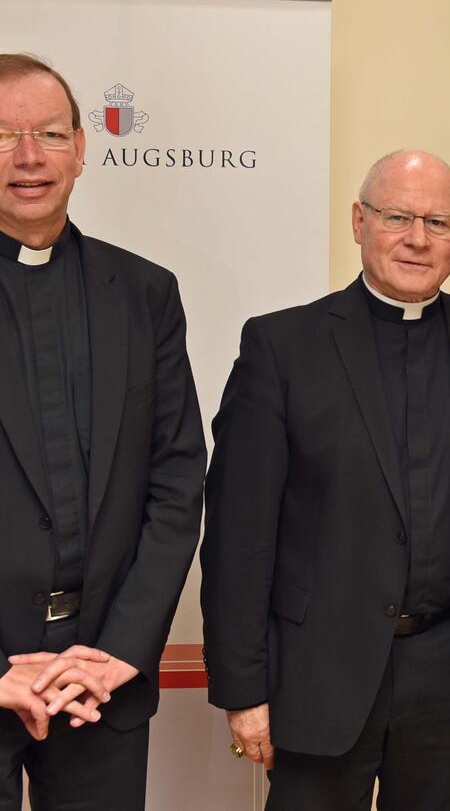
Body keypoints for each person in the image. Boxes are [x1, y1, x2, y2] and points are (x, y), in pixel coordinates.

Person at [200, 149, 450, 811]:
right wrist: (243, 689)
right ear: (359, 221)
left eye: (437, 222)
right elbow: (239, 537)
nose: (418, 239)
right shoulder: (283, 347)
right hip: (318, 668)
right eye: (398, 217)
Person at [0, 53, 206, 809]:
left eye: (50, 133)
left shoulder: (146, 294)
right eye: (4, 135)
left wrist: (117, 649)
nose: (29, 156)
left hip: (100, 678)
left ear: (82, 149)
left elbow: (178, 481)